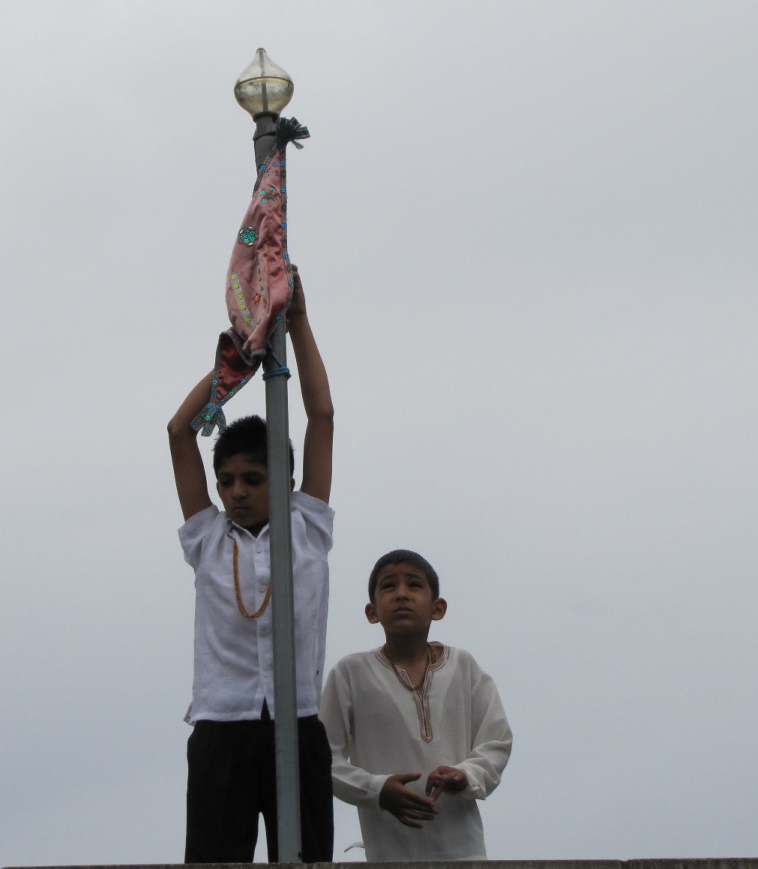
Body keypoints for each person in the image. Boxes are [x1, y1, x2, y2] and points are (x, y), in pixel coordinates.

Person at [167, 267, 335, 863]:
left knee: (308, 858)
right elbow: (178, 432)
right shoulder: (208, 537)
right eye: (228, 481)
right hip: (222, 725)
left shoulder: (307, 526)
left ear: (285, 482)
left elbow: (321, 416)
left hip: (297, 722)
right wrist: (238, 355)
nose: (236, 492)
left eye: (253, 480)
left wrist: (298, 322)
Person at [318, 550, 513, 861]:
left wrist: (465, 775)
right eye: (389, 586)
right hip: (389, 854)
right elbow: (322, 759)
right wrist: (377, 790)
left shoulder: (463, 667)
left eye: (414, 585)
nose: (402, 595)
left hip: (464, 853)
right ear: (372, 612)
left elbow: (497, 741)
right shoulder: (350, 674)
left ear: (438, 608)